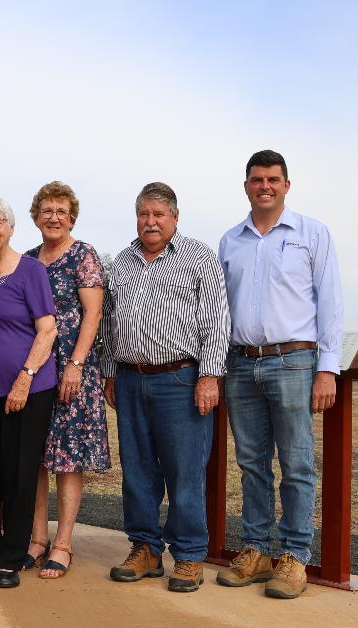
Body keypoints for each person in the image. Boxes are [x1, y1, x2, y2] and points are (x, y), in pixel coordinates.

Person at [216, 150, 344, 599]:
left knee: (296, 463)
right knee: (251, 463)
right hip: (241, 361)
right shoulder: (231, 240)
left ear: (286, 185)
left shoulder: (312, 234)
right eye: (256, 179)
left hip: (293, 361)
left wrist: (327, 368)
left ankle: (293, 556)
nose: (264, 186)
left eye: (273, 179)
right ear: (246, 185)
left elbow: (329, 303)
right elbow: (219, 310)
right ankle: (255, 550)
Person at [101, 182, 230, 593]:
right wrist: (108, 373)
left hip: (181, 379)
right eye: (143, 214)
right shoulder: (122, 261)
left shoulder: (198, 257)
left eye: (159, 214)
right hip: (129, 377)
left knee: (185, 471)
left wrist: (209, 375)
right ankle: (145, 549)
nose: (150, 221)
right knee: (137, 470)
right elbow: (108, 320)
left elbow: (217, 320)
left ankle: (190, 556)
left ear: (175, 217)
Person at [0, 196, 58, 589]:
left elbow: (47, 329)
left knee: (20, 473)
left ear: (12, 227)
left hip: (30, 388)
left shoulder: (32, 271)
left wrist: (25, 377)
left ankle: (11, 557)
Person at [24, 181, 108, 579]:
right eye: (46, 210)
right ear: (36, 217)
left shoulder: (83, 256)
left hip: (73, 369)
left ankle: (62, 544)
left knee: (67, 458)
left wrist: (75, 364)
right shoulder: (26, 260)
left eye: (61, 211)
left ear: (71, 217)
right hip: (35, 367)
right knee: (35, 456)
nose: (53, 217)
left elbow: (92, 314)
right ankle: (37, 539)